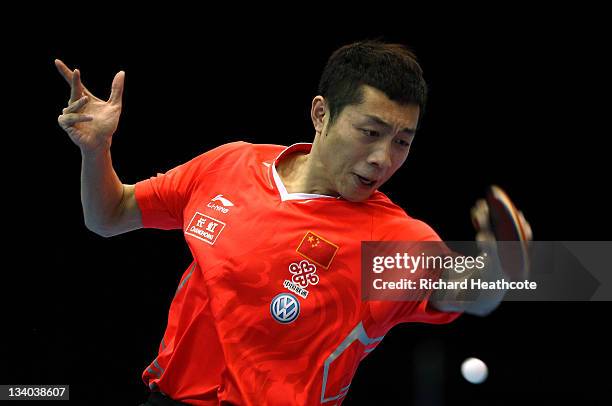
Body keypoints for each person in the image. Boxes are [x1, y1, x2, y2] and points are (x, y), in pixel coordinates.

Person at [55, 41, 529, 405]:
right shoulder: (228, 166)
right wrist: (96, 151)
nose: (383, 158)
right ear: (321, 114)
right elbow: (109, 216)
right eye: (370, 133)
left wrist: (502, 268)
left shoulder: (388, 240)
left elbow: (474, 295)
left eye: (403, 142)